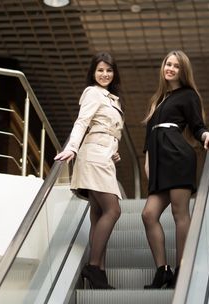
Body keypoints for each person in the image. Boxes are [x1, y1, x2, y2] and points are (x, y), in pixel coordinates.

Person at [142, 50, 209, 289]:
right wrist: (147, 162)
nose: (171, 68)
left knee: (179, 213)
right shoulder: (158, 99)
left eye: (176, 66)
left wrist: (207, 134)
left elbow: (197, 126)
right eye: (168, 64)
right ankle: (162, 270)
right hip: (158, 161)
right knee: (148, 214)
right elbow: (148, 138)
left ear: (182, 71)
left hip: (177, 157)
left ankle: (182, 271)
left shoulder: (188, 95)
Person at [54, 52, 123, 289]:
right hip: (93, 156)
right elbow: (82, 122)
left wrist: (114, 149)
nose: (104, 74)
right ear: (93, 73)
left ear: (114, 74)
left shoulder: (112, 98)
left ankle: (99, 273)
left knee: (98, 214)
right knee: (113, 210)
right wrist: (72, 147)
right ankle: (93, 267)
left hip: (103, 155)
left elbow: (108, 130)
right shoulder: (93, 93)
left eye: (109, 70)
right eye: (100, 70)